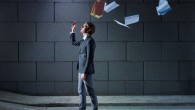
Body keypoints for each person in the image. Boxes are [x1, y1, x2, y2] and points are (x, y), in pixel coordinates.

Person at [70, 22, 98, 110]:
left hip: (86, 71)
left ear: (88, 29)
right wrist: (72, 31)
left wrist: (85, 72)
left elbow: (90, 58)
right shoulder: (83, 41)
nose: (81, 27)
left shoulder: (90, 41)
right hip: (81, 70)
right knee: (81, 91)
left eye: (83, 26)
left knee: (90, 92)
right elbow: (74, 43)